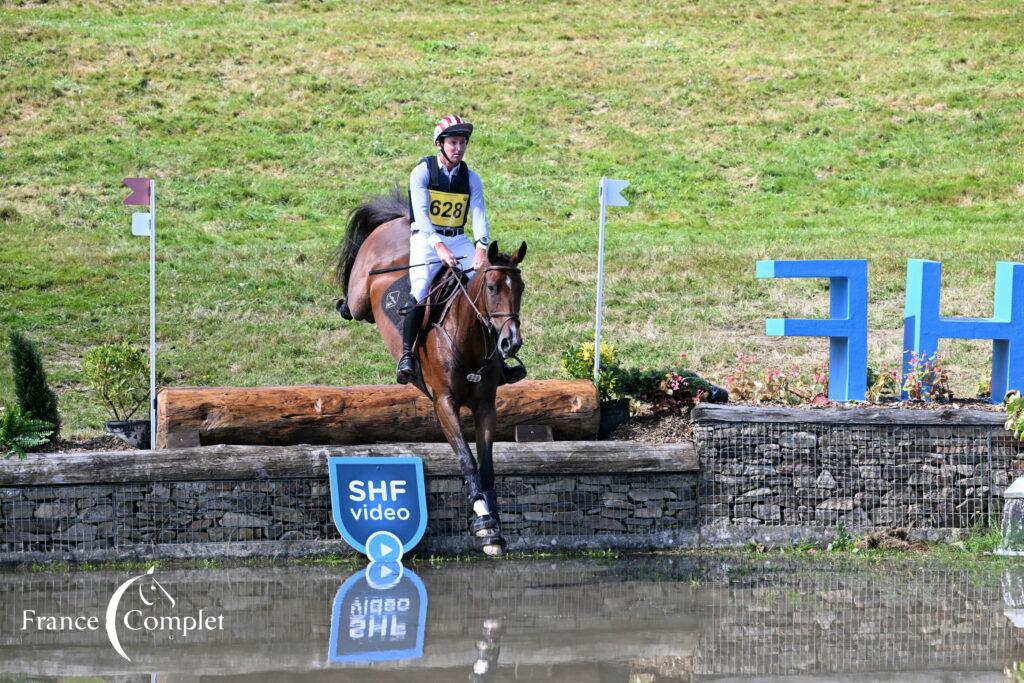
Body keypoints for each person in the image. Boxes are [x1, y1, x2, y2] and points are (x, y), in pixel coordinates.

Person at [397, 115, 525, 385]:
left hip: (457, 239)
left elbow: (479, 215)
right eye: (453, 142)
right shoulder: (421, 172)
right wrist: (439, 247)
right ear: (439, 144)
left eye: (462, 143)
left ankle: (498, 361)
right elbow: (421, 215)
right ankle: (407, 355)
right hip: (425, 240)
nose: (459, 148)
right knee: (420, 290)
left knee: (484, 286)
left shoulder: (471, 178)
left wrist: (480, 247)